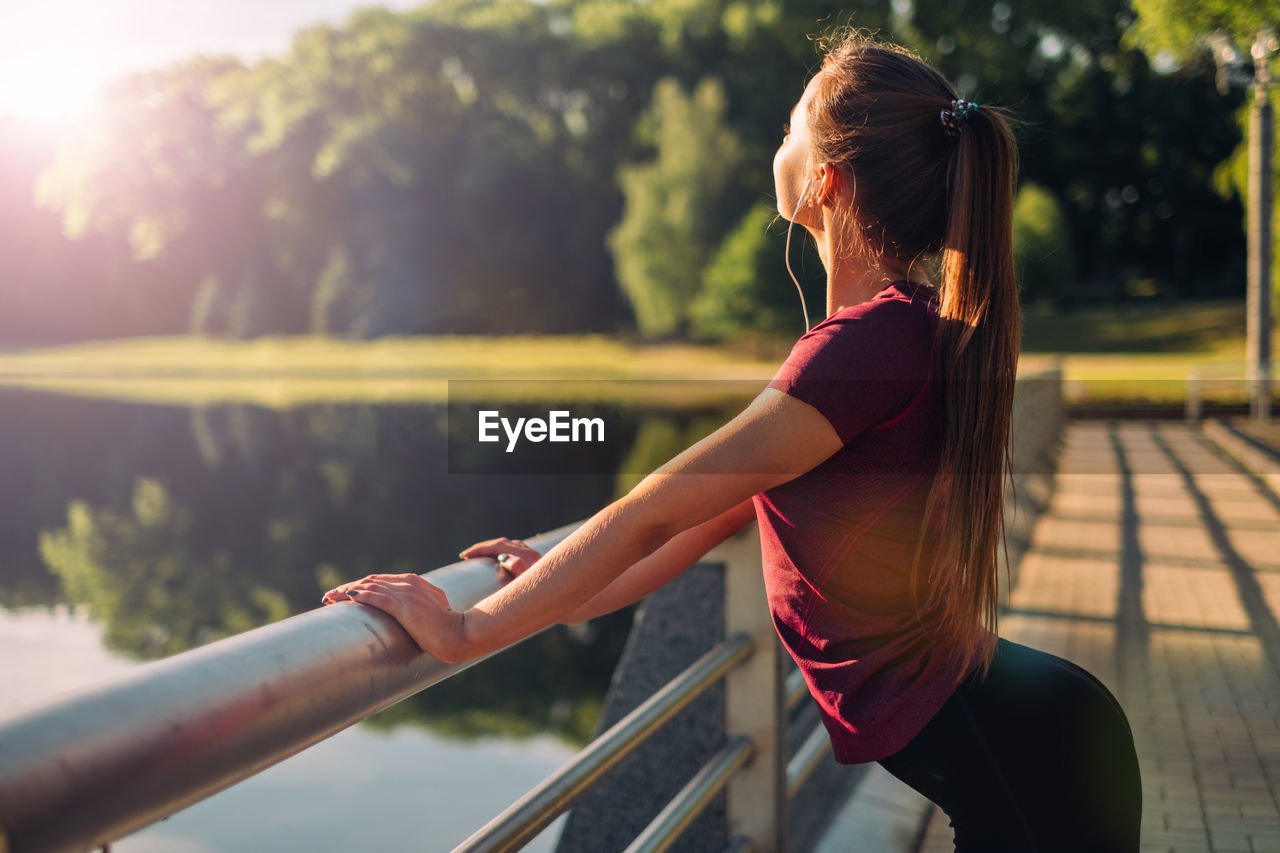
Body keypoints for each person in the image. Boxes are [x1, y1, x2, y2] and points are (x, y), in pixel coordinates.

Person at [322, 32, 1142, 852]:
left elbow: (654, 506)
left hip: (1036, 762)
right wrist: (551, 584)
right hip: (1040, 740)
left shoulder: (859, 352)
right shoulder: (900, 332)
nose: (775, 143)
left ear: (825, 182)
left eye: (790, 128)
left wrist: (467, 632)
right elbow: (687, 527)